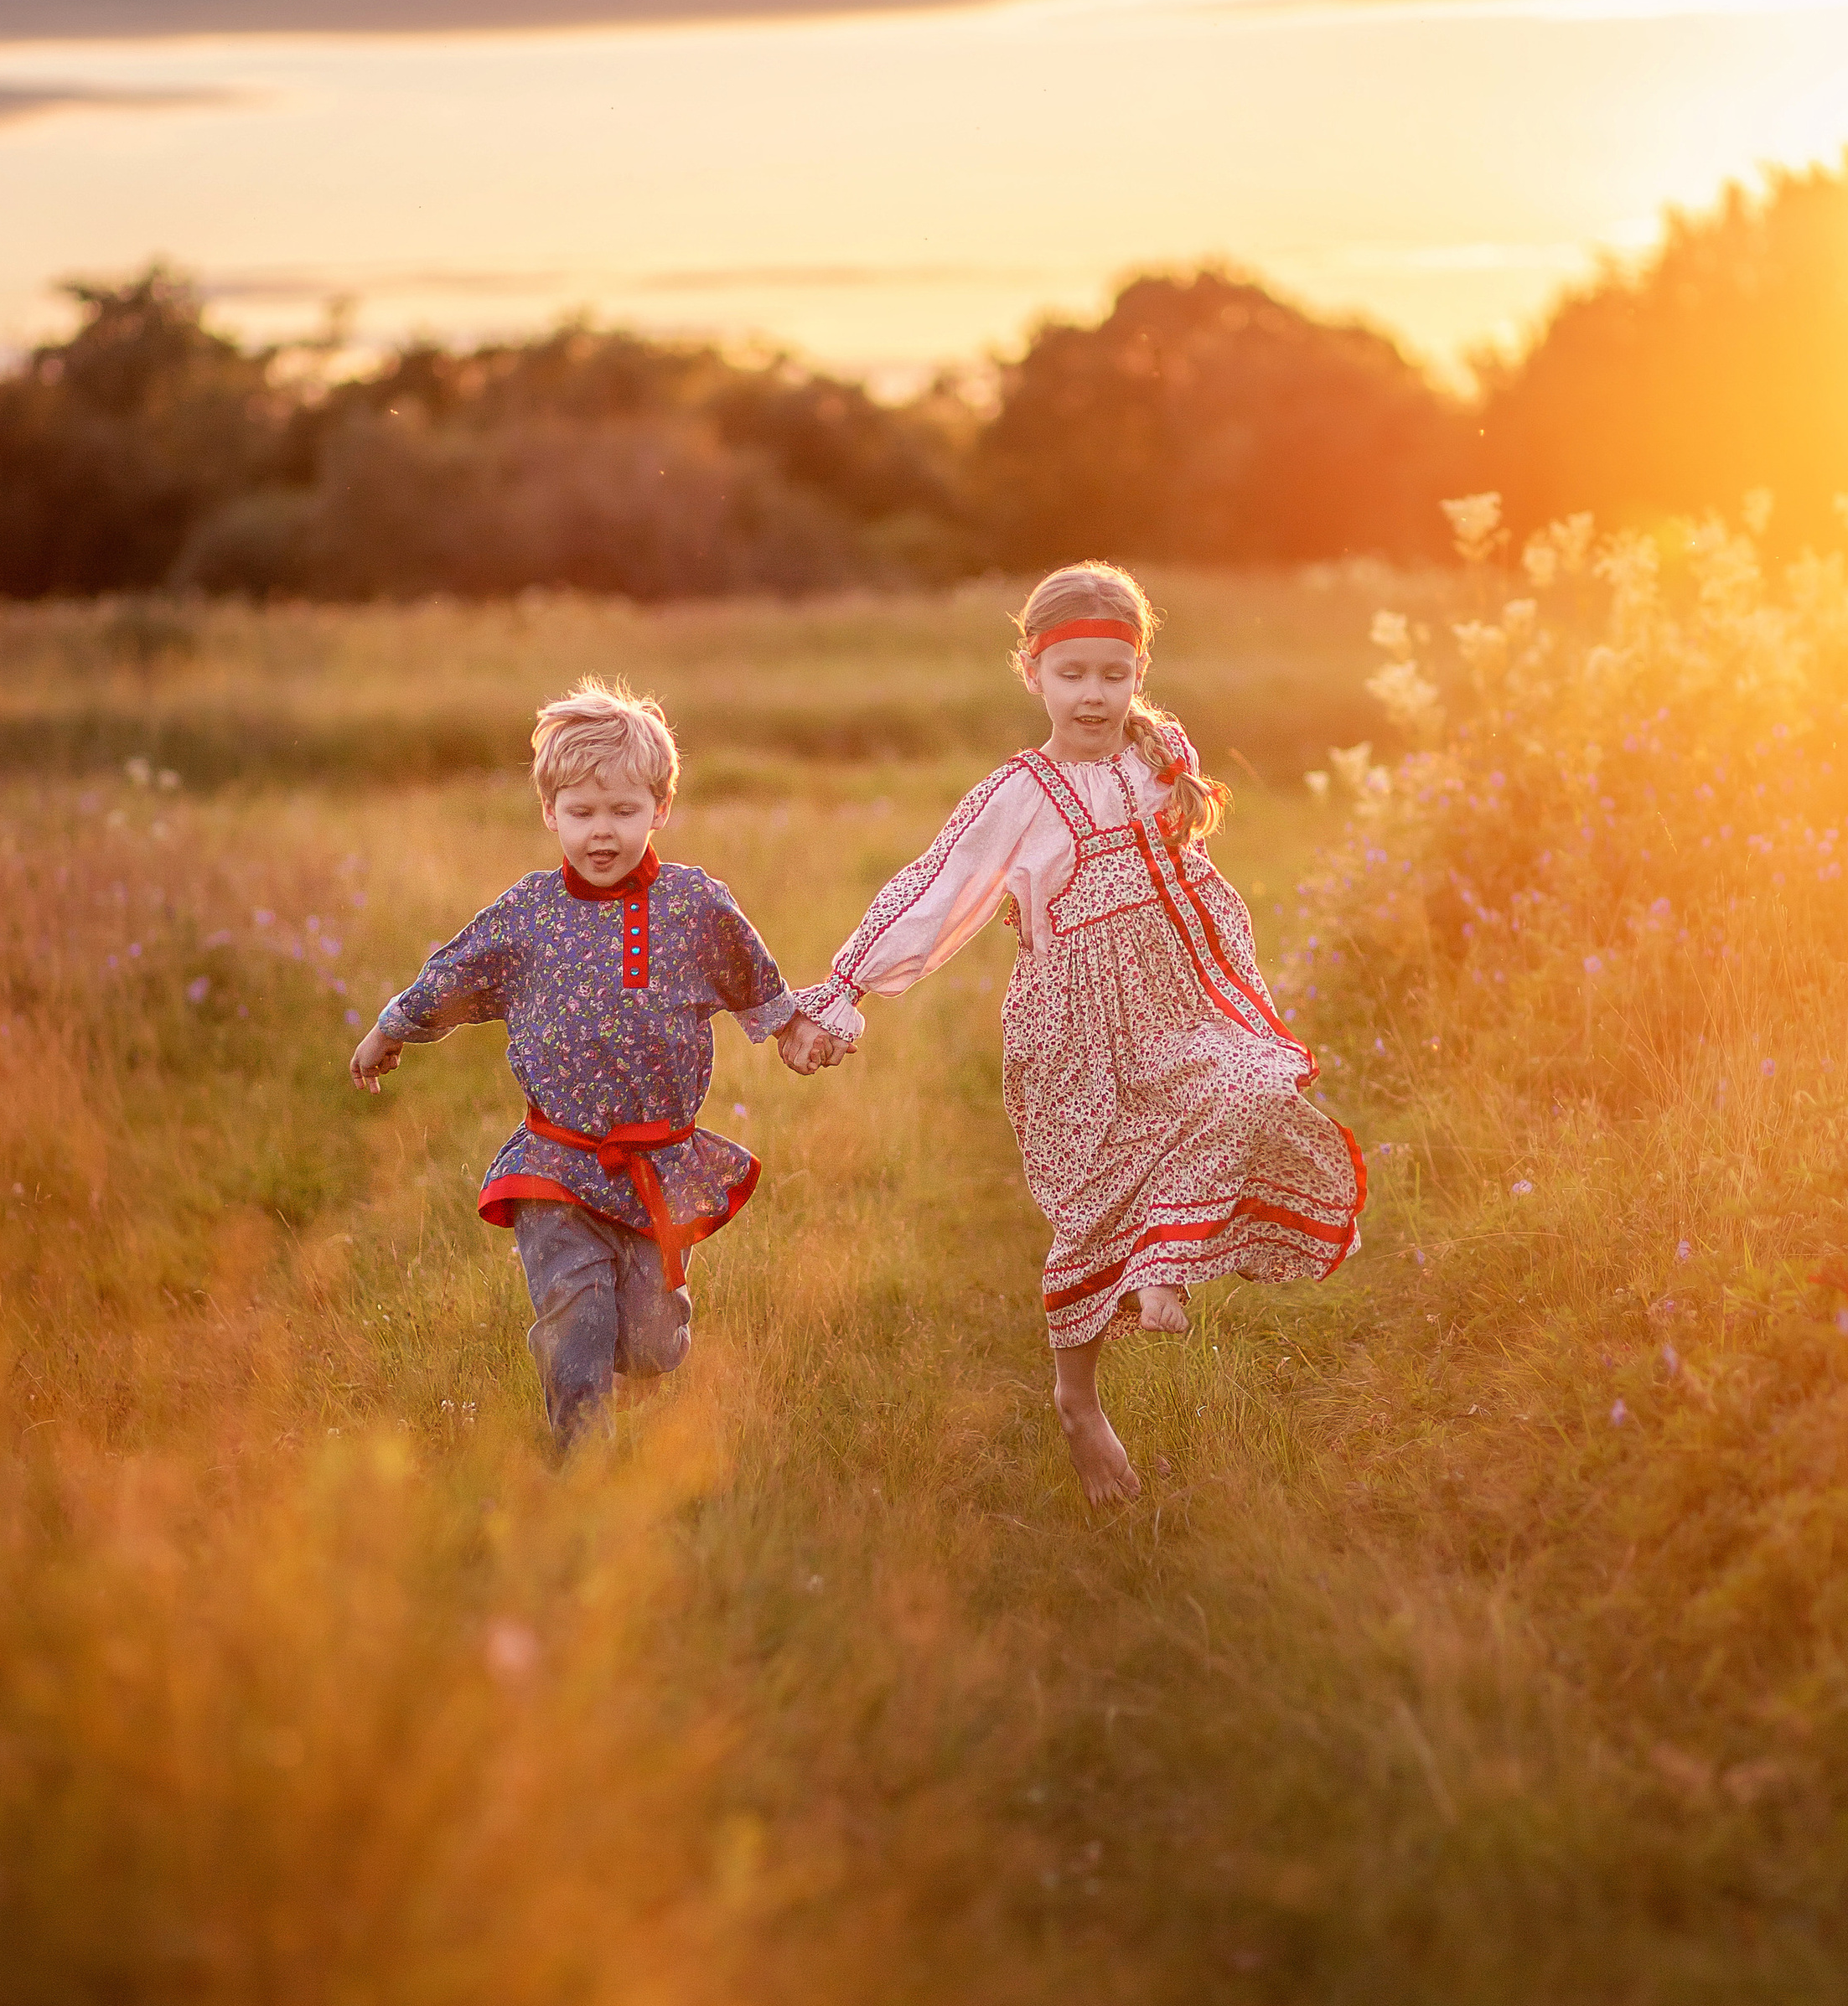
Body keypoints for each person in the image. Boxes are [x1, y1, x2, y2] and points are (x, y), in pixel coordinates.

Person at [792, 563, 1364, 1507]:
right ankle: (1078, 1400)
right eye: (1072, 675)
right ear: (1032, 673)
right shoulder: (1017, 793)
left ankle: (1164, 1261)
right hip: (1074, 1027)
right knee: (1090, 1210)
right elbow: (935, 892)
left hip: (1178, 1002)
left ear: (1139, 671)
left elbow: (1185, 871)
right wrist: (841, 993)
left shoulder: (1158, 755)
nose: (1093, 694)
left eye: (1113, 672)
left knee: (1247, 1090)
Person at [349, 678, 837, 1450]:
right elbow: (456, 971)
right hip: (557, 1160)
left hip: (655, 1159)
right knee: (576, 1318)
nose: (601, 832)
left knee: (648, 1346)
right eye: (580, 813)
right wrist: (393, 1026)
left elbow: (754, 976)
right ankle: (581, 1470)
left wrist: (791, 1031)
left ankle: (649, 1343)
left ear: (661, 809)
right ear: (551, 814)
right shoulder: (530, 912)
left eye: (623, 811)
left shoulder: (693, 905)